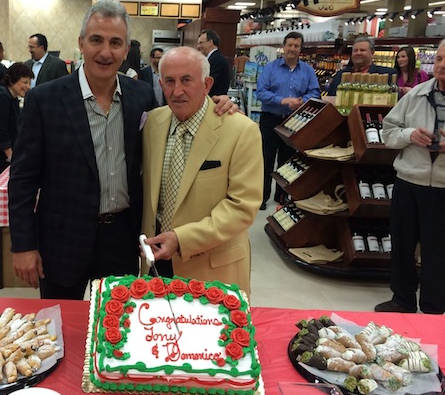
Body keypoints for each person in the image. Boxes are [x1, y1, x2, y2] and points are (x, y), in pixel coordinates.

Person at [8, 0, 237, 300]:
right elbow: (23, 180)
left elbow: (179, 126)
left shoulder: (140, 96)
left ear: (126, 48)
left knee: (119, 330)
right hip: (62, 239)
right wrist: (23, 245)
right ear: (81, 43)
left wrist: (217, 106)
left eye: (115, 42)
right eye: (96, 40)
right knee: (64, 328)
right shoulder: (44, 100)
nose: (106, 52)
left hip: (122, 237)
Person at [140, 47, 262, 295]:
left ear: (207, 85)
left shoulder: (240, 130)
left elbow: (242, 206)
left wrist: (181, 239)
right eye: (170, 82)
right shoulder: (153, 122)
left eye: (187, 80)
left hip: (212, 270)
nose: (177, 91)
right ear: (161, 84)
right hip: (156, 263)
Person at [375, 39, 445, 315]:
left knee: (437, 249)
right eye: (439, 59)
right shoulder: (415, 95)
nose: (442, 65)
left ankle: (433, 305)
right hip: (409, 181)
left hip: (442, 186)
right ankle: (402, 299)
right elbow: (388, 132)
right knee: (402, 243)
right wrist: (409, 135)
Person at [257, 31, 320, 210]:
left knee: (287, 160)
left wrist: (301, 102)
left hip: (294, 121)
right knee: (266, 158)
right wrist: (284, 100)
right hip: (270, 119)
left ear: (301, 49)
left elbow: (315, 92)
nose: (292, 49)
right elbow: (261, 92)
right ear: (283, 47)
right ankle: (262, 197)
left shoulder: (307, 70)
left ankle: (281, 196)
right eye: (289, 45)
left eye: (296, 46)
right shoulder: (270, 68)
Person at [0, 63, 33, 184]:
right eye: (25, 82)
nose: (28, 87)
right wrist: (11, 157)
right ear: (13, 80)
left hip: (2, 153)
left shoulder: (12, 97)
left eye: (29, 83)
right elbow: (1, 131)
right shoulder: (1, 98)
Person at [327, 35, 395, 96]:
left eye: (362, 50)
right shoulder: (340, 75)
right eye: (355, 50)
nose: (358, 53)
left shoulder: (386, 75)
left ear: (372, 53)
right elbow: (330, 99)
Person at [196, 29, 231, 97]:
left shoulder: (216, 60)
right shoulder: (214, 58)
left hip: (214, 103)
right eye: (198, 44)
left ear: (210, 42)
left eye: (201, 43)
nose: (198, 47)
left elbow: (210, 85)